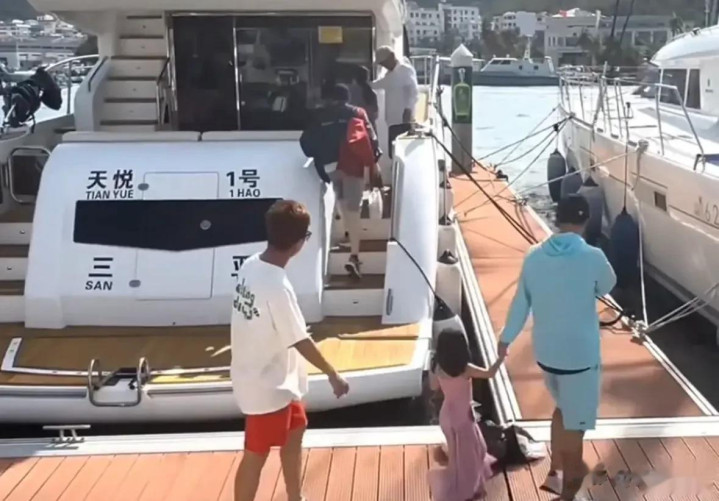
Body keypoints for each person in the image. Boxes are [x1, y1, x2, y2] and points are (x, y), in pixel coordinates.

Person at [495, 194, 617, 501]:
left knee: (562, 408)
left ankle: (555, 471)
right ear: (586, 221)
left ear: (557, 219)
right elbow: (607, 285)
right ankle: (570, 491)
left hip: (546, 354)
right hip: (579, 358)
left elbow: (520, 304)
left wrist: (505, 339)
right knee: (576, 424)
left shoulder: (533, 256)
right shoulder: (593, 256)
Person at [231, 200, 350, 501]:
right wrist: (333, 374)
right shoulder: (278, 287)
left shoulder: (250, 265)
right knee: (255, 455)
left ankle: (296, 497)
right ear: (299, 243)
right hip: (265, 387)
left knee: (295, 433)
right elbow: (300, 339)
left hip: (282, 381)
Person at [299, 83, 382, 279]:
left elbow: (306, 143)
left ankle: (346, 235)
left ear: (329, 98)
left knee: (342, 202)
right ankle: (354, 255)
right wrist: (373, 162)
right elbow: (371, 139)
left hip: (331, 167)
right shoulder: (358, 112)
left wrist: (320, 157)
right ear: (347, 97)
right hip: (353, 165)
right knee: (353, 210)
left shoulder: (319, 116)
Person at [427, 328, 500, 501]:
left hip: (447, 416)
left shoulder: (436, 365)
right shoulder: (466, 369)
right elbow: (490, 373)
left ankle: (469, 486)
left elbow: (433, 386)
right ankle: (464, 491)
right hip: (463, 418)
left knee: (460, 456)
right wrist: (501, 358)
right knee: (473, 455)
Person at [371, 46, 419, 127]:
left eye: (384, 62)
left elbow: (413, 93)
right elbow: (377, 85)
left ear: (391, 56)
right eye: (382, 64)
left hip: (403, 119)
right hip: (391, 121)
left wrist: (408, 110)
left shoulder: (405, 70)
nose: (384, 66)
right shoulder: (388, 75)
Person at [348, 65, 379, 130]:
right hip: (369, 127)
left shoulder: (349, 91)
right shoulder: (371, 93)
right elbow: (375, 114)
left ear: (354, 77)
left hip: (354, 127)